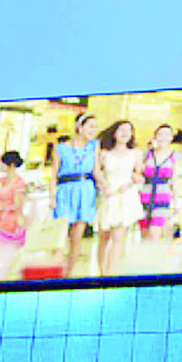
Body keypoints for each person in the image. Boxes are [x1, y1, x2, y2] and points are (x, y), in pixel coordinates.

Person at [93, 120, 144, 275]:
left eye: (129, 130)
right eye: (122, 130)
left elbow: (138, 175)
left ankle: (110, 273)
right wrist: (104, 185)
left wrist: (129, 184)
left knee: (118, 237)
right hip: (108, 195)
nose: (125, 133)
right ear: (114, 133)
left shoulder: (135, 153)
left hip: (126, 196)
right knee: (103, 237)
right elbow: (97, 172)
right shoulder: (104, 153)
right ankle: (102, 272)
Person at [54, 116, 99, 275]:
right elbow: (53, 175)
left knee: (77, 236)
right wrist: (52, 196)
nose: (93, 130)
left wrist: (106, 186)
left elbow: (96, 170)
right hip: (65, 190)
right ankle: (55, 272)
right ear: (80, 127)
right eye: (90, 126)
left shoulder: (94, 146)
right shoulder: (60, 148)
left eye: (95, 127)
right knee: (59, 236)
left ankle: (68, 274)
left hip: (85, 190)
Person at [139, 125, 181, 241]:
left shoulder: (174, 157)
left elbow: (174, 180)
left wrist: (176, 202)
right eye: (160, 134)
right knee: (144, 233)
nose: (163, 138)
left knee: (155, 232)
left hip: (162, 196)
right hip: (145, 195)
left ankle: (154, 252)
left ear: (171, 138)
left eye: (167, 135)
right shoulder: (147, 154)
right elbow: (139, 172)